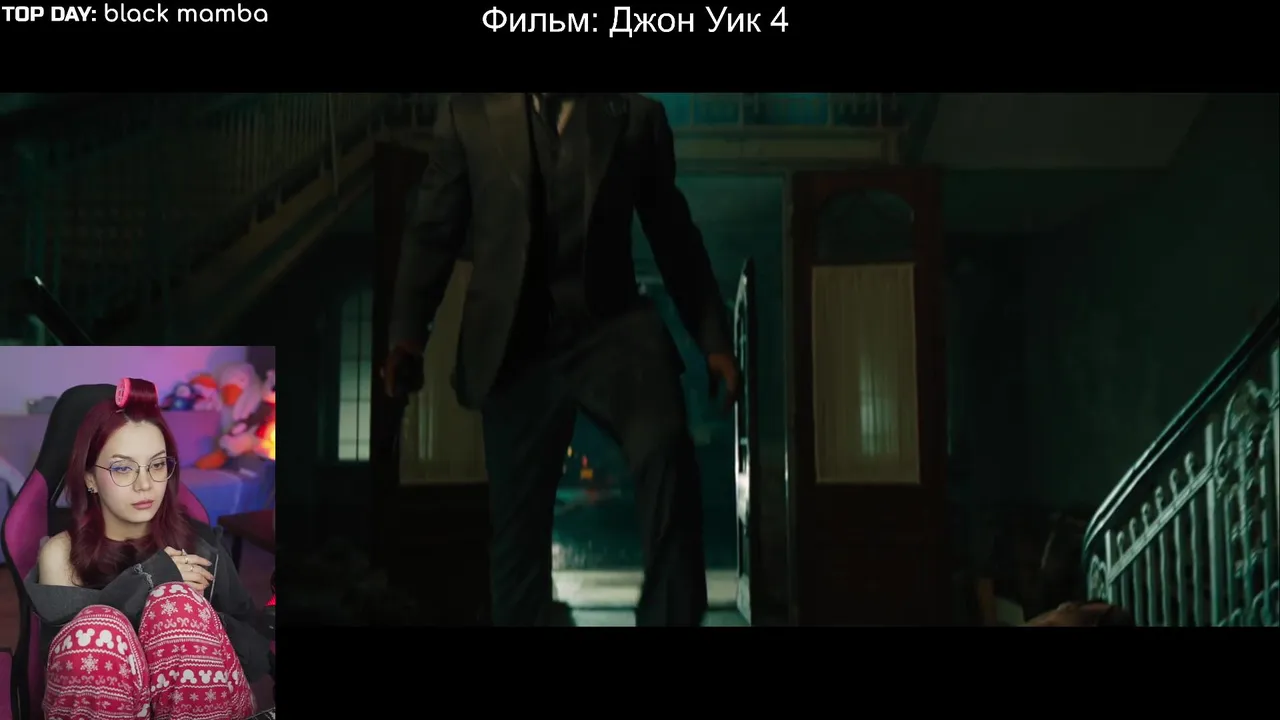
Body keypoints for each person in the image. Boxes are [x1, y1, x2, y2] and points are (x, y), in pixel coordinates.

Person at [384, 93, 739, 627]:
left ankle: (669, 616)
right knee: (518, 531)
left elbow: (673, 234)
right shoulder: (468, 115)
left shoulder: (635, 118)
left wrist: (714, 340)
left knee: (666, 449)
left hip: (613, 331)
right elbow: (433, 229)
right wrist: (408, 336)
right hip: (513, 342)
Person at [25, 378, 270, 719]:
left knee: (176, 606)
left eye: (157, 465)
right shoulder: (61, 555)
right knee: (97, 629)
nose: (145, 484)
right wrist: (152, 579)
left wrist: (200, 622)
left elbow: (256, 655)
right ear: (90, 478)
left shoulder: (199, 545)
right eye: (123, 468)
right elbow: (66, 664)